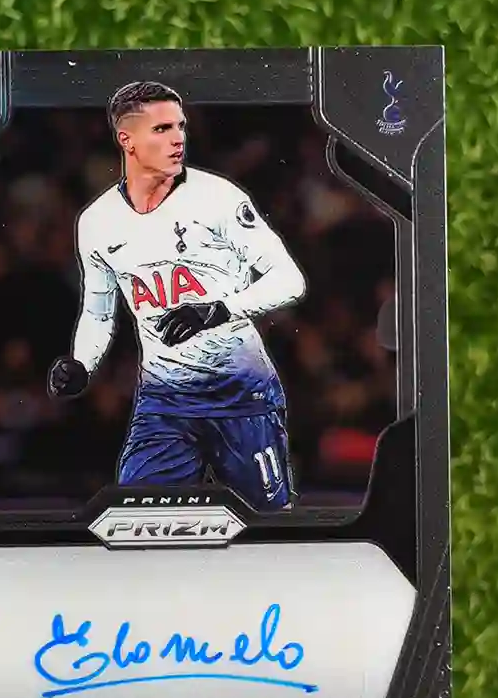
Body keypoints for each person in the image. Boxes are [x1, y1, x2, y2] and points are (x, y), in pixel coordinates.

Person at [47, 81, 306, 509]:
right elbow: (98, 312)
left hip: (241, 395)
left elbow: (289, 279)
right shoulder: (96, 221)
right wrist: (81, 364)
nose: (178, 138)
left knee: (266, 529)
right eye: (162, 128)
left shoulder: (218, 198)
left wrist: (217, 311)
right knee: (138, 523)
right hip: (164, 402)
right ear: (127, 140)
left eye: (180, 126)